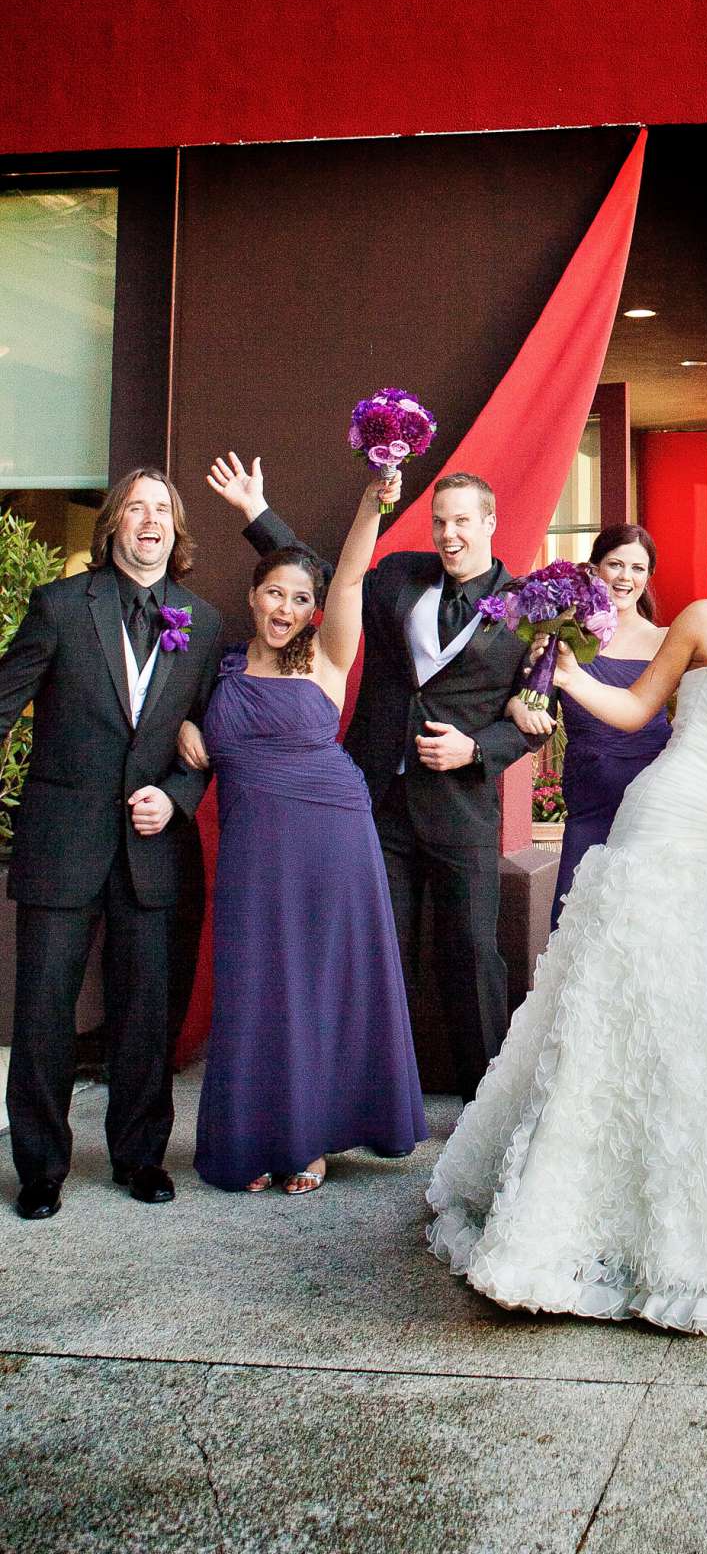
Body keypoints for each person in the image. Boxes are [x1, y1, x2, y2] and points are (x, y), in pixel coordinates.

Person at [427, 484, 707, 1333]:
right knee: (639, 1008)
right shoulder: (699, 621)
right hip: (665, 825)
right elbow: (635, 711)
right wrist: (564, 674)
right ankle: (583, 1217)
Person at [208, 453, 532, 1101]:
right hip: (371, 801)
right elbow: (333, 581)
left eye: (462, 522)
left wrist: (478, 748)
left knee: (471, 956)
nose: (448, 535)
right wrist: (255, 513)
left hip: (461, 807)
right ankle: (370, 1098)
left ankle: (488, 1104)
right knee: (369, 957)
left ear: (491, 523)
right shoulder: (403, 576)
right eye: (440, 521)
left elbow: (534, 716)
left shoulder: (527, 610)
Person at [177, 470, 424, 1193]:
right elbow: (173, 720)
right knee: (259, 988)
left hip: (332, 840)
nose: (284, 607)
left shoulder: (324, 659)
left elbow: (348, 574)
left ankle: (310, 1143)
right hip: (256, 851)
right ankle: (258, 1137)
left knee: (319, 984)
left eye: (298, 598)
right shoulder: (216, 671)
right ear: (252, 598)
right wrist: (189, 726)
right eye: (273, 594)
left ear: (313, 610)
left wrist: (371, 496)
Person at [0, 469, 222, 1220]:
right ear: (113, 527)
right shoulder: (62, 606)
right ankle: (38, 1168)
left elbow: (215, 738)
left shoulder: (203, 620)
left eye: (163, 509)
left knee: (145, 1012)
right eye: (136, 507)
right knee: (41, 1013)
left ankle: (140, 1157)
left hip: (152, 848)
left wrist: (180, 796)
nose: (150, 520)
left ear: (176, 529)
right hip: (61, 843)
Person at [507, 523, 670, 924]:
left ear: (648, 576)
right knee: (577, 922)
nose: (625, 577)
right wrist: (516, 703)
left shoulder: (669, 640)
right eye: (615, 564)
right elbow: (532, 700)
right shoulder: (566, 636)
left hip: (654, 803)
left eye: (637, 568)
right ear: (595, 568)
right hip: (590, 802)